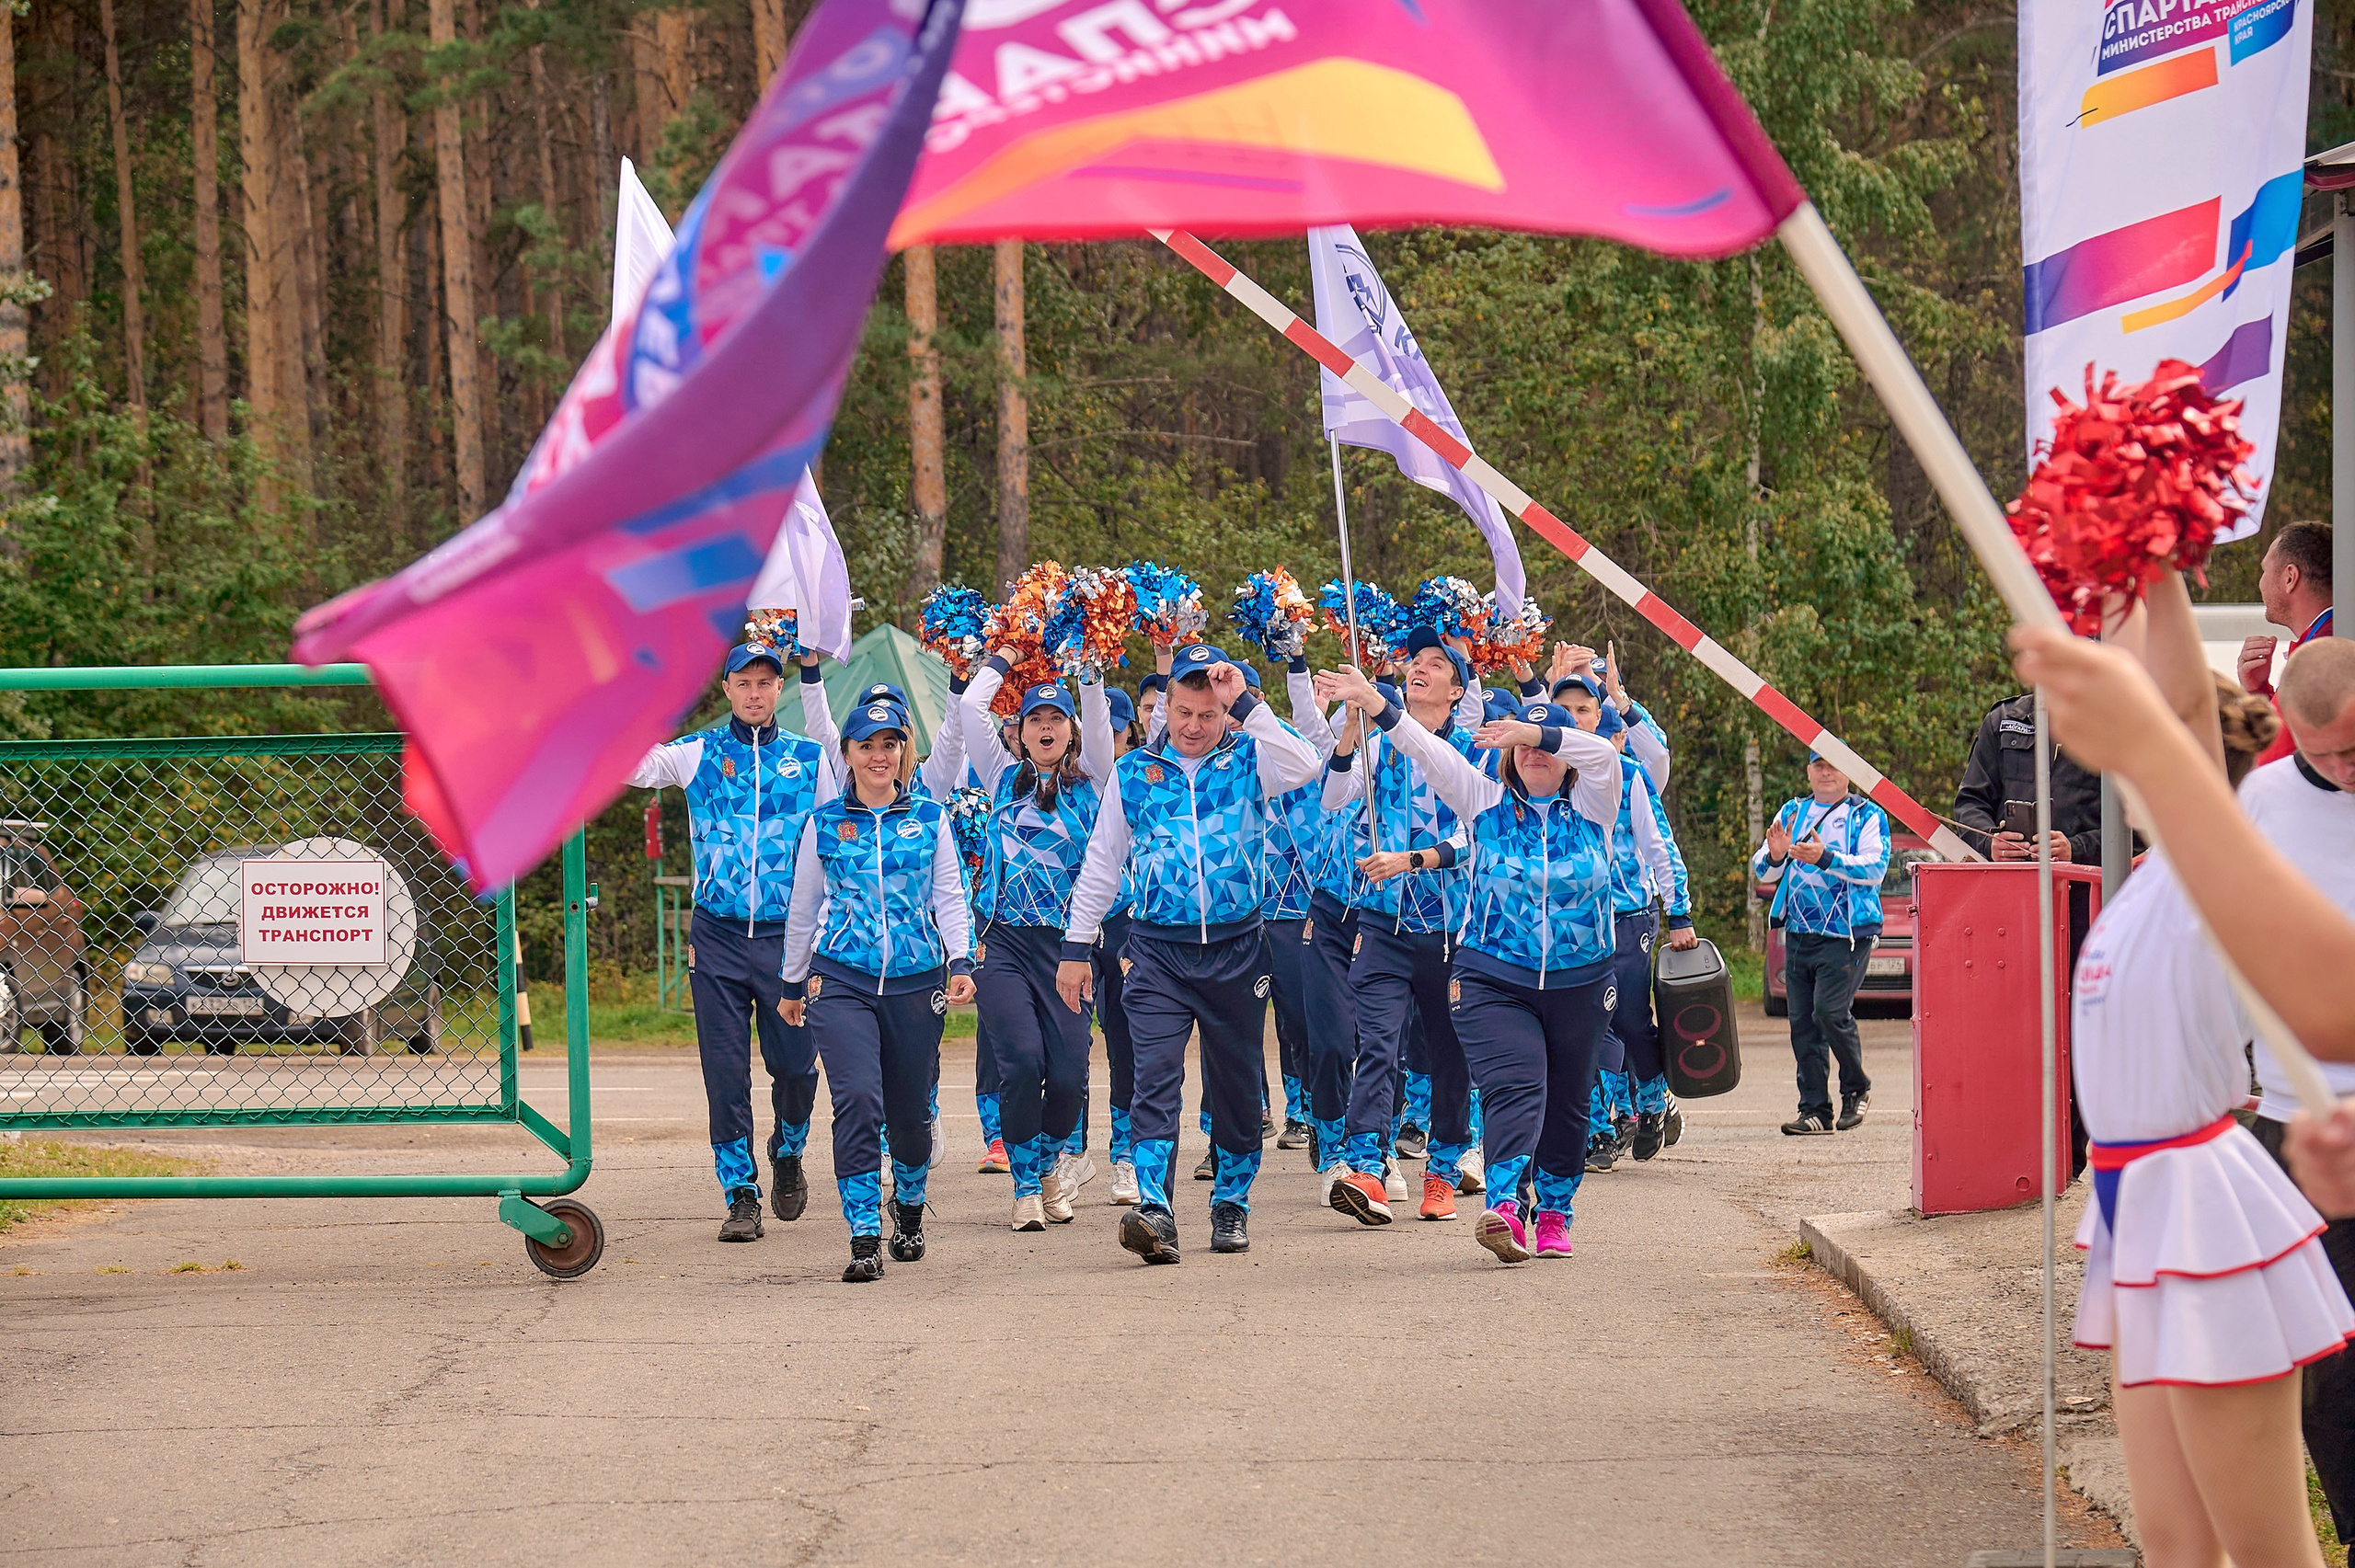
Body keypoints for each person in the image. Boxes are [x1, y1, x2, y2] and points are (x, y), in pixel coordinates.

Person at [2040, 569, 2352, 1568]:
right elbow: (2169, 697)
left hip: (2200, 1207)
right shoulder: (2156, 875)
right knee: (2175, 1548)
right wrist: (2142, 567)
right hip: (2135, 1200)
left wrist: (2152, 579)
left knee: (2265, 1552)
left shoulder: (2219, 850)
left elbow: (2175, 701)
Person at [1316, 663, 1623, 1263]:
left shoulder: (1597, 800)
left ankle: (1555, 1211)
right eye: (1520, 747)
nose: (1532, 756)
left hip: (1578, 978)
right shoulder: (1481, 795)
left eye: (1543, 747)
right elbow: (1422, 747)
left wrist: (1535, 729)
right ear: (1505, 758)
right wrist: (1375, 705)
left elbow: (1601, 753)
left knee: (1566, 1100)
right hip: (1494, 974)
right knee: (1515, 1085)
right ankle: (1504, 1205)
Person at [1053, 644, 1321, 1263]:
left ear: (1224, 712)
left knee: (1234, 1085)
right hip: (1156, 954)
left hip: (1236, 952)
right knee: (1155, 1078)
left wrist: (1247, 702)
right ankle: (1155, 1206)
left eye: (1208, 713)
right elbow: (1101, 862)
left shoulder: (1251, 758)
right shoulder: (1135, 773)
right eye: (1184, 711)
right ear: (1165, 707)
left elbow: (1306, 765)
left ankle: (1231, 1201)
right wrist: (1075, 947)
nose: (1194, 725)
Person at [629, 641, 835, 1244]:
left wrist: (823, 935)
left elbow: (832, 848)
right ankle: (740, 1193)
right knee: (724, 1074)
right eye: (743, 681)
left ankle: (789, 1149)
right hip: (717, 937)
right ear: (725, 688)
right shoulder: (698, 754)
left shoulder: (809, 758)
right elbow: (636, 767)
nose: (754, 692)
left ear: (780, 689)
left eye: (765, 682)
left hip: (789, 940)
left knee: (796, 1068)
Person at [779, 698, 976, 1283]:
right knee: (858, 1102)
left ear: (904, 752)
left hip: (917, 983)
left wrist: (960, 958)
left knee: (911, 1115)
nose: (878, 755)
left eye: (889, 744)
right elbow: (803, 908)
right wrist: (792, 981)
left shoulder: (933, 819)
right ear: (847, 755)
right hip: (841, 979)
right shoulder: (822, 824)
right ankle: (863, 1232)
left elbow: (949, 895)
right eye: (866, 745)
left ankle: (909, 1206)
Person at [2236, 636, 2355, 1543]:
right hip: (2296, 1116)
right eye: (2332, 756)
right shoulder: (2261, 802)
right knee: (2327, 1366)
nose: (2350, 769)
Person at [1322, 627, 1482, 1225]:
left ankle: (1441, 1170)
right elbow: (1336, 796)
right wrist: (1347, 729)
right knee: (1377, 1045)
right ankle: (1366, 1167)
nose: (1420, 668)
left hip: (1451, 931)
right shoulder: (1380, 744)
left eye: (1436, 663)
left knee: (1449, 1053)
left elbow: (1474, 833)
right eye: (1414, 660)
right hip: (1383, 922)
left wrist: (1411, 860)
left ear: (1457, 688)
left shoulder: (1473, 750)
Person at [958, 651, 1115, 1231]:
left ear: (1070, 730)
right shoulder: (1000, 777)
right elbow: (971, 705)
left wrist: (1088, 662)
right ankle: (1025, 1185)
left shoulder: (1096, 778)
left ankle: (1049, 1166)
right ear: (1019, 732)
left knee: (1070, 1072)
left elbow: (1098, 720)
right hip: (1003, 945)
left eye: (1056, 718)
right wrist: (1001, 657)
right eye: (1034, 720)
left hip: (1068, 949)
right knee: (1020, 1062)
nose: (1045, 728)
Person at [1559, 675, 1696, 1168]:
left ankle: (1653, 1100)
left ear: (1599, 716)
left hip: (1628, 917)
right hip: (1571, 922)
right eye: (1565, 709)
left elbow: (1661, 848)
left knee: (1632, 1020)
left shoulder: (1630, 773)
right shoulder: (1545, 774)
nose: (1575, 719)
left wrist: (1677, 914)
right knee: (1585, 1023)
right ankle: (1598, 1130)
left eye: (1583, 709)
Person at [1751, 755, 1890, 1138]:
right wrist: (1777, 854)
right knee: (1802, 1026)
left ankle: (1856, 1087)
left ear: (1849, 773)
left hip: (1847, 935)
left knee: (1829, 1013)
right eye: (1818, 765)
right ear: (1808, 771)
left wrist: (1825, 857)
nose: (1826, 772)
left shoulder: (1866, 815)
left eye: (1834, 766)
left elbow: (1875, 867)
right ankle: (1814, 1109)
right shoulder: (1794, 812)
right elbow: (1763, 868)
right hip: (1797, 933)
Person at [2241, 520, 2336, 769]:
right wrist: (2258, 690)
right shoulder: (2325, 640)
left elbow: (2268, 763)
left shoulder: (2322, 656)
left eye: (2264, 571)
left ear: (2290, 577)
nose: (2260, 583)